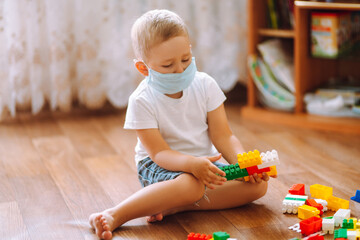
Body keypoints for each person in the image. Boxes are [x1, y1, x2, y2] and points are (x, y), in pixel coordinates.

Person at [89, 9, 275, 240]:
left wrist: (243, 163)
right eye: (168, 65)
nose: (180, 69)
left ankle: (176, 206)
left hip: (202, 168)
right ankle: (116, 214)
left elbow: (223, 136)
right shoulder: (142, 100)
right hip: (160, 166)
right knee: (191, 186)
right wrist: (191, 164)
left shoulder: (205, 85)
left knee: (257, 186)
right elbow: (159, 153)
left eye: (186, 59)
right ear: (144, 68)